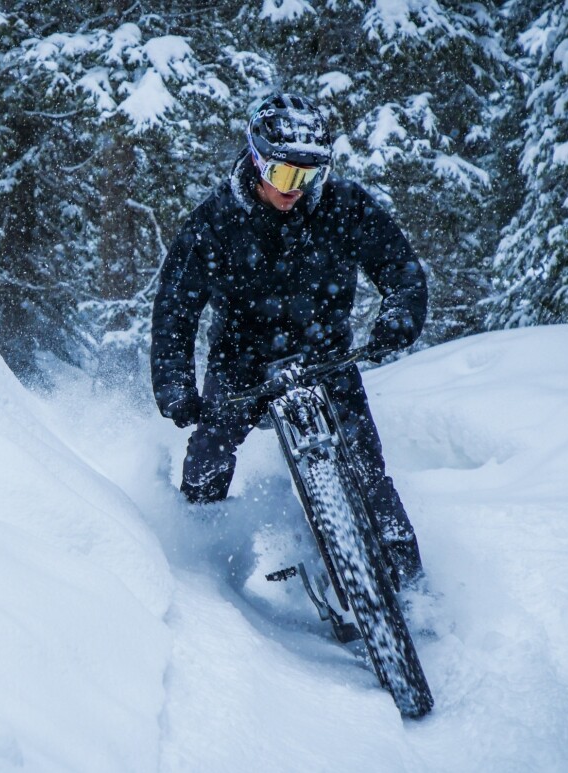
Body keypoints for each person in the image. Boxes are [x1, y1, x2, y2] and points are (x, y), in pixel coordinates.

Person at [150, 93, 427, 583]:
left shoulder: (345, 207)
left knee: (367, 467)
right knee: (209, 453)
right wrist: (176, 387)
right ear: (257, 162)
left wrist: (400, 317)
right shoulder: (214, 222)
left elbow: (401, 269)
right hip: (242, 362)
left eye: (308, 175)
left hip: (325, 354)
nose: (293, 189)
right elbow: (175, 309)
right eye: (282, 174)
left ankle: (410, 587)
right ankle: (198, 569)